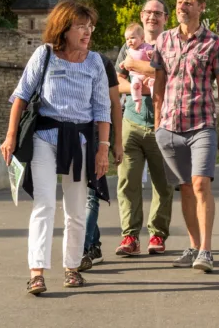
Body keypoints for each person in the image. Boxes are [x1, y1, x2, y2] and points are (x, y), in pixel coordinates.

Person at [0, 0, 111, 295]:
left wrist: (103, 148)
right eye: (81, 27)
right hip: (44, 137)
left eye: (91, 27)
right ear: (64, 28)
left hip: (79, 140)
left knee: (75, 207)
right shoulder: (45, 55)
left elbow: (102, 108)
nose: (88, 32)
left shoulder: (95, 61)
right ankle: (37, 272)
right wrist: (10, 136)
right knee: (45, 203)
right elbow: (20, 96)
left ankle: (72, 267)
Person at [123, 0, 219, 273]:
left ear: (201, 7)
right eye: (180, 2)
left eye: (189, 3)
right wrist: (158, 121)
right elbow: (158, 82)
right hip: (170, 126)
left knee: (200, 184)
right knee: (184, 188)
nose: (183, 7)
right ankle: (194, 246)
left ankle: (206, 250)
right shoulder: (165, 41)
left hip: (202, 124)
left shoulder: (214, 43)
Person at [113, 0, 175, 257]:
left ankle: (157, 235)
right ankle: (130, 236)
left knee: (163, 185)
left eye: (158, 13)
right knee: (128, 182)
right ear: (141, 15)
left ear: (165, 18)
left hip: (163, 124)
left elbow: (172, 77)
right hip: (132, 122)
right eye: (148, 12)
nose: (152, 17)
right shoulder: (128, 46)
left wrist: (143, 73)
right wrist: (147, 87)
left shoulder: (171, 45)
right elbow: (118, 80)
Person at [78, 53, 124, 272]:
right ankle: (94, 244)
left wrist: (116, 142)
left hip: (97, 136)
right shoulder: (60, 57)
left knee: (90, 196)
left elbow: (115, 104)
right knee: (77, 198)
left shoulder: (102, 63)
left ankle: (84, 249)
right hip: (72, 136)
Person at [124, 23, 154, 114]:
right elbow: (127, 61)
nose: (129, 41)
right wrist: (123, 64)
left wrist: (151, 54)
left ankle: (154, 98)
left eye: (132, 38)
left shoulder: (146, 47)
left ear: (142, 38)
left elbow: (153, 57)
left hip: (148, 75)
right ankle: (138, 101)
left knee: (153, 83)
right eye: (127, 39)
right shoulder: (128, 51)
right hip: (136, 76)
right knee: (135, 86)